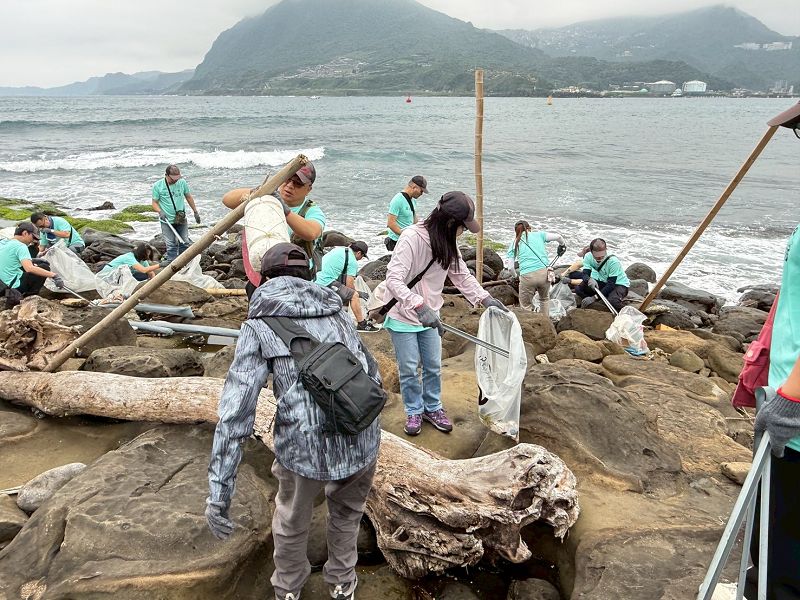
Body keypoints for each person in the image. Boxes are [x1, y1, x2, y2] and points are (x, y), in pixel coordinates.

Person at [206, 242, 381, 600]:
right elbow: (370, 372)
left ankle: (288, 588)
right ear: (310, 275)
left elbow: (235, 414)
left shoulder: (259, 325)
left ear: (262, 280)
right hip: (361, 436)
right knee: (348, 515)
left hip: (304, 447)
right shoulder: (337, 310)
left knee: (291, 520)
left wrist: (219, 494)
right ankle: (342, 583)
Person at [384, 191, 508, 436]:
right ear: (451, 222)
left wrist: (485, 298)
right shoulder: (411, 238)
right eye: (463, 227)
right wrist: (418, 305)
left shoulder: (447, 241)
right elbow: (393, 279)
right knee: (409, 368)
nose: (464, 231)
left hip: (431, 316)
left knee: (433, 366)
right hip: (403, 315)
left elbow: (461, 275)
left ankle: (432, 407)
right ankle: (414, 410)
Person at [748, 222, 800, 600]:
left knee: (783, 564)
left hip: (793, 425)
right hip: (785, 401)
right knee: (767, 549)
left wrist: (791, 403)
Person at [222, 162, 326, 295]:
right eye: (287, 179)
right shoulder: (265, 199)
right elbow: (227, 200)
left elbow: (311, 232)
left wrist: (286, 211)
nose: (290, 186)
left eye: (298, 183)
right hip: (262, 273)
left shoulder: (311, 211)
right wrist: (256, 192)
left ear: (308, 189)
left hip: (296, 279)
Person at [315, 241, 378, 332]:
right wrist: (359, 293)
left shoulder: (339, 250)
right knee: (354, 296)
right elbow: (349, 285)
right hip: (325, 282)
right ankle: (362, 324)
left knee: (343, 293)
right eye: (363, 256)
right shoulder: (352, 261)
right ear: (358, 253)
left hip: (315, 278)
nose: (361, 259)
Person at [505, 220, 566, 315]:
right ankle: (545, 321)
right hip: (544, 274)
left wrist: (516, 277)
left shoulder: (515, 242)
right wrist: (562, 245)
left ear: (516, 232)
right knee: (544, 299)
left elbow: (510, 268)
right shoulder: (539, 235)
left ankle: (530, 322)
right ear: (529, 228)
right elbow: (558, 237)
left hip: (527, 276)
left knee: (526, 305)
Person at [0, 223, 64, 302]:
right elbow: (29, 268)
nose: (33, 240)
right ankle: (30, 296)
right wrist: (54, 275)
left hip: (1, 284)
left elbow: (9, 259)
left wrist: (32, 260)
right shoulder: (20, 246)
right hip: (13, 286)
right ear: (25, 233)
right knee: (44, 266)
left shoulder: (3, 242)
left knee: (34, 265)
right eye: (33, 237)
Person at [560, 238, 629, 312]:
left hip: (619, 284)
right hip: (603, 281)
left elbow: (611, 284)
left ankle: (626, 311)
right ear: (591, 252)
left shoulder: (613, 261)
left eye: (602, 255)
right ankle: (596, 302)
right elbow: (585, 274)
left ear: (606, 250)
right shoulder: (588, 256)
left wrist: (594, 297)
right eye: (597, 256)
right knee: (579, 289)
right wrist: (589, 279)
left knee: (613, 301)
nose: (599, 258)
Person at [152, 164, 200, 263]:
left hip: (180, 217)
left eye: (177, 178)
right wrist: (160, 211)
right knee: (170, 243)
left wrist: (195, 211)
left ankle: (183, 262)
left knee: (184, 241)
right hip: (166, 220)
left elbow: (188, 197)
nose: (175, 181)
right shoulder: (158, 186)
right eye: (173, 179)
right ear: (166, 175)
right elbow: (154, 203)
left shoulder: (182, 182)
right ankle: (172, 263)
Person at [385, 175, 427, 251]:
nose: (422, 194)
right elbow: (390, 223)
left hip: (407, 239)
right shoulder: (398, 199)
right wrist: (405, 235)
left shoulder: (413, 200)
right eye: (421, 191)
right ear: (414, 187)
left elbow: (414, 221)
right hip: (397, 241)